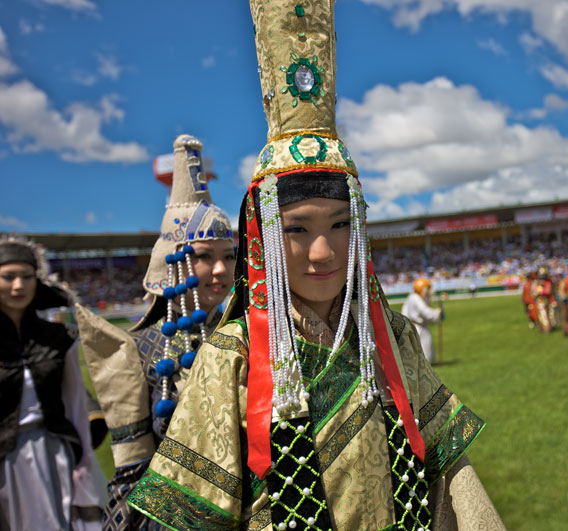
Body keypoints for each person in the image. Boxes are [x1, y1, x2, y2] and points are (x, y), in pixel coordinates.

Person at [126, 2, 504, 529]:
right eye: (297, 230)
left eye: (340, 225)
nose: (323, 253)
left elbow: (450, 482)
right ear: (261, 240)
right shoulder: (232, 361)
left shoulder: (392, 338)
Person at [75, 134, 235, 530]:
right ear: (176, 262)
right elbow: (131, 468)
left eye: (229, 257)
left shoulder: (242, 333)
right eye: (205, 257)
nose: (221, 270)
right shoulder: (137, 349)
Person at [0, 237, 107, 531]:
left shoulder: (59, 339)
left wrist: (83, 460)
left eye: (26, 276)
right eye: (8, 277)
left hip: (55, 451)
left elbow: (74, 405)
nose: (18, 286)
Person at [402, 277, 444, 363]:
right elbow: (426, 312)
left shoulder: (413, 297)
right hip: (418, 327)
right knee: (425, 350)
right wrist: (437, 313)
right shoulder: (415, 298)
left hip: (414, 326)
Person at [533, 266, 556, 333]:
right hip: (539, 302)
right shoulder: (537, 282)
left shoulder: (548, 282)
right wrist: (536, 292)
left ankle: (548, 328)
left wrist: (540, 292)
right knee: (542, 315)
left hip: (546, 300)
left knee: (549, 315)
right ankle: (544, 328)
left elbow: (548, 292)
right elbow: (533, 293)